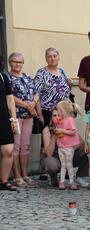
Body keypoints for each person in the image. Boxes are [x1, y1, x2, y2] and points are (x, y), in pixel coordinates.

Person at [8, 52, 41, 187]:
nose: (18, 64)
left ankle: (25, 173)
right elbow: (9, 97)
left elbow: (36, 93)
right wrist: (27, 105)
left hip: (29, 116)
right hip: (16, 116)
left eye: (20, 62)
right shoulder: (8, 78)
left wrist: (33, 103)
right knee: (16, 146)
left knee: (25, 146)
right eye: (15, 61)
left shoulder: (27, 78)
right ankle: (17, 176)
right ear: (10, 62)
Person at [40, 108, 89, 187]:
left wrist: (68, 138)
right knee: (52, 165)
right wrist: (54, 136)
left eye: (59, 115)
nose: (57, 117)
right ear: (51, 118)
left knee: (87, 148)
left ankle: (81, 176)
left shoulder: (68, 127)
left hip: (67, 154)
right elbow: (49, 153)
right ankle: (53, 176)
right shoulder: (47, 130)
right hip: (53, 157)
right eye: (54, 115)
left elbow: (80, 144)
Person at [34, 47, 71, 127]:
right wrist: (40, 114)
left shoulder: (62, 71)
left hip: (63, 112)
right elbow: (36, 94)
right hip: (47, 113)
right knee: (49, 137)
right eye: (49, 56)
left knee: (63, 137)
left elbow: (65, 90)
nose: (52, 58)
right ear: (46, 59)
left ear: (58, 57)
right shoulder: (41, 73)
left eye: (54, 56)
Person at [54, 99, 81, 190]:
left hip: (69, 147)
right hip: (61, 146)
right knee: (63, 164)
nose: (58, 112)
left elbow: (72, 132)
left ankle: (72, 182)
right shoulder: (60, 120)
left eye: (59, 110)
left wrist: (61, 131)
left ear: (64, 111)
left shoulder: (70, 120)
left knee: (69, 164)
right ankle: (62, 181)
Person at [0, 59, 18, 191]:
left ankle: (4, 182)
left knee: (8, 150)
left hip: (4, 117)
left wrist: (13, 119)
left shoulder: (3, 75)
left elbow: (10, 98)